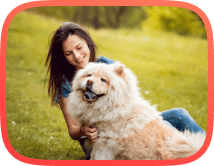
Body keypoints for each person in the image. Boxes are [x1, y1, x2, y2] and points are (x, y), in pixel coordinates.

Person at [45, 22, 205, 160]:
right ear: (63, 56)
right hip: (102, 139)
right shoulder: (66, 82)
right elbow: (72, 128)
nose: (77, 56)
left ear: (87, 43)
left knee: (178, 115)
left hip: (125, 127)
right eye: (69, 53)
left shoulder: (107, 64)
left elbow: (129, 100)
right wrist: (83, 131)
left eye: (79, 48)